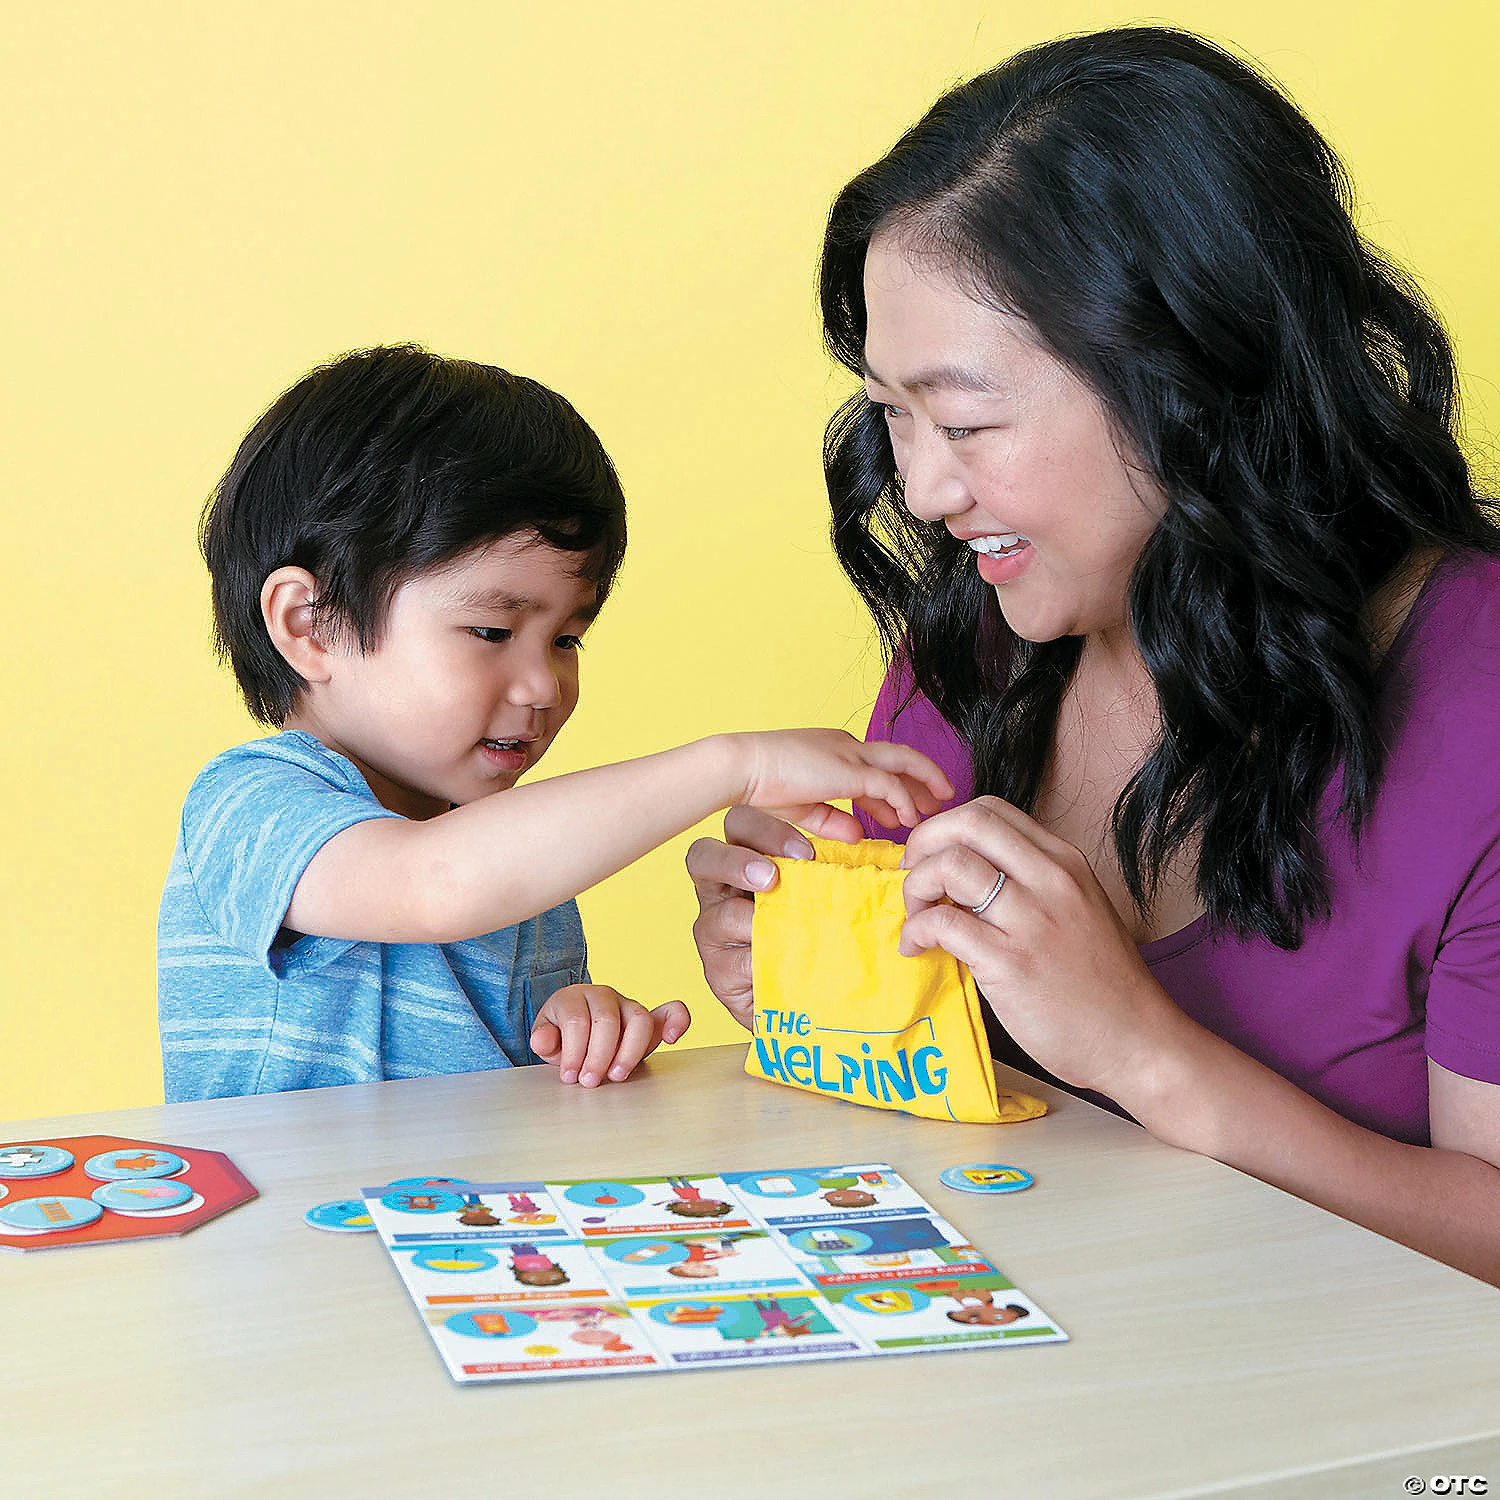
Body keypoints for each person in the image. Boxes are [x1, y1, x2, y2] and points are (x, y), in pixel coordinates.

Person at [687, 28, 1500, 1284]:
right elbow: (978, 1132)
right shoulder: (976, 644)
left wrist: (1142, 1051)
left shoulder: (1481, 704)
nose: (923, 488)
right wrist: (818, 996)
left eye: (962, 420)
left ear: (1195, 377)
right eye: (891, 415)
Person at [159, 345, 951, 1102]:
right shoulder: (247, 804)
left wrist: (580, 1028)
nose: (543, 684)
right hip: (296, 1236)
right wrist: (731, 764)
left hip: (460, 1235)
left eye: (567, 639)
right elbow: (433, 883)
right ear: (312, 624)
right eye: (493, 633)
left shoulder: (517, 850)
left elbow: (499, 1071)